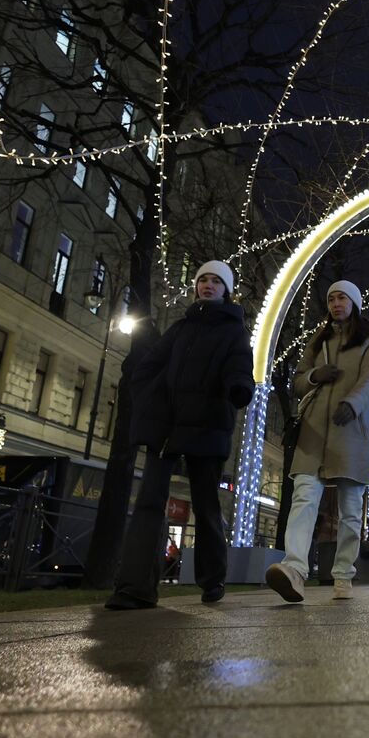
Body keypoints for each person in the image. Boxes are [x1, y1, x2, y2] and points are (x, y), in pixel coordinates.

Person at [105, 260, 255, 610]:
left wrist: (238, 388)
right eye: (203, 279)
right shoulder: (181, 328)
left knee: (205, 505)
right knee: (149, 503)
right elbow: (149, 366)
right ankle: (134, 589)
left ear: (227, 290)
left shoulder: (234, 332)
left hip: (207, 426)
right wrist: (146, 394)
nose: (208, 285)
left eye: (217, 281)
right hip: (167, 427)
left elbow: (238, 366)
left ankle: (212, 577)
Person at [266, 280, 369, 603]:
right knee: (304, 499)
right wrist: (316, 376)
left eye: (342, 297)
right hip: (314, 431)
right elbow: (299, 381)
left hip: (351, 431)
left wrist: (353, 404)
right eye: (331, 298)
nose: (335, 303)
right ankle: (294, 569)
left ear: (354, 302)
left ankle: (343, 574)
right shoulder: (318, 340)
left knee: (350, 510)